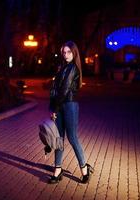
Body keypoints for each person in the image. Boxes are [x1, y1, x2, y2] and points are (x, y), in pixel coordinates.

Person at [48, 41, 94, 184]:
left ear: (74, 53)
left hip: (69, 106)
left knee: (72, 138)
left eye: (68, 52)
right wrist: (52, 107)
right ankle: (58, 169)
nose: (66, 55)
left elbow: (64, 89)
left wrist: (55, 109)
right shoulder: (62, 67)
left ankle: (84, 168)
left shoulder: (73, 68)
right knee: (58, 139)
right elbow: (55, 89)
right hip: (59, 105)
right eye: (64, 52)